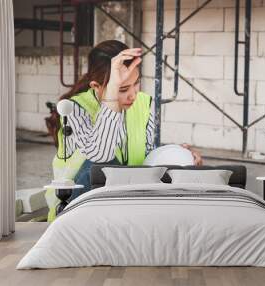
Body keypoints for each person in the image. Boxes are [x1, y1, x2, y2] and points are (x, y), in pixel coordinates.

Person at [46, 40, 202, 221]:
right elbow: (100, 157)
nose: (133, 95)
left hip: (123, 201)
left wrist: (176, 154)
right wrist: (111, 98)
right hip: (75, 209)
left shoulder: (144, 103)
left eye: (136, 83)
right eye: (123, 88)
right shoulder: (75, 108)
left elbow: (147, 158)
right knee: (102, 167)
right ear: (96, 86)